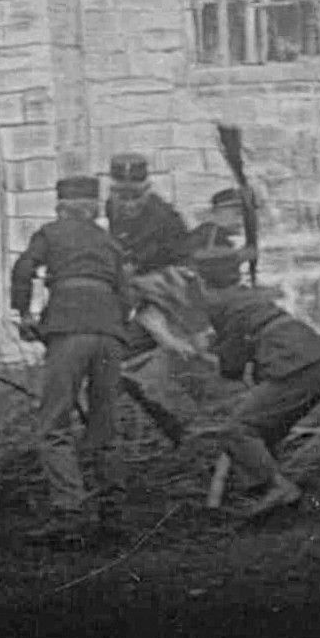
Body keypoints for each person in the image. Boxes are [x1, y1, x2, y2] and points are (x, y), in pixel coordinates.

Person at [10, 173, 129, 544]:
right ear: (93, 209)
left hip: (68, 328)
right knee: (104, 425)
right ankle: (113, 514)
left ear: (61, 208)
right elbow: (127, 295)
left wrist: (25, 315)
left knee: (54, 423)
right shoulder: (110, 243)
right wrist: (113, 327)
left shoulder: (51, 233)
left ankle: (70, 511)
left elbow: (23, 269)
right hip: (110, 334)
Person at [195, 247, 320, 523]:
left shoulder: (219, 302)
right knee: (262, 428)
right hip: (315, 359)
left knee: (239, 428)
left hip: (296, 366)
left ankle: (278, 488)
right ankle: (271, 494)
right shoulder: (246, 296)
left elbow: (232, 367)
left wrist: (205, 352)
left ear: (204, 280)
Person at [103, 151, 198, 448]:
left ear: (148, 189)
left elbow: (188, 269)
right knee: (115, 363)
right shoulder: (112, 210)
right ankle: (163, 428)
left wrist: (144, 282)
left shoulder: (166, 218)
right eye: (123, 196)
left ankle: (186, 427)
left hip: (170, 301)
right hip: (139, 301)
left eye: (136, 196)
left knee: (185, 365)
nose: (129, 204)